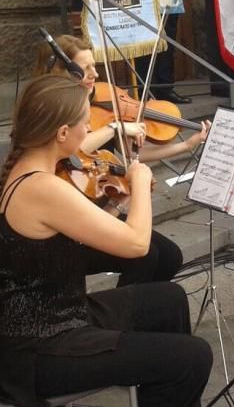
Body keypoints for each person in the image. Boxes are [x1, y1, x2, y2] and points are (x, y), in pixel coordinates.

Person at [0, 75, 211, 407]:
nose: (91, 130)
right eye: (84, 123)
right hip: (39, 349)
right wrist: (140, 181)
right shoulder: (42, 187)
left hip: (58, 313)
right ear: (60, 133)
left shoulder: (33, 170)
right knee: (193, 357)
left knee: (169, 299)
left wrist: (116, 203)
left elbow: (78, 241)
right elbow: (137, 244)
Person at [37, 35, 210, 286]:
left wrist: (186, 145)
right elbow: (71, 152)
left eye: (95, 66)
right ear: (64, 72)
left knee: (171, 256)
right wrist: (114, 127)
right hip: (67, 219)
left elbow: (132, 159)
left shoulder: (88, 100)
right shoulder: (48, 109)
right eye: (86, 69)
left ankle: (143, 312)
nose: (96, 75)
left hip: (97, 204)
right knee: (145, 256)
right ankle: (123, 314)